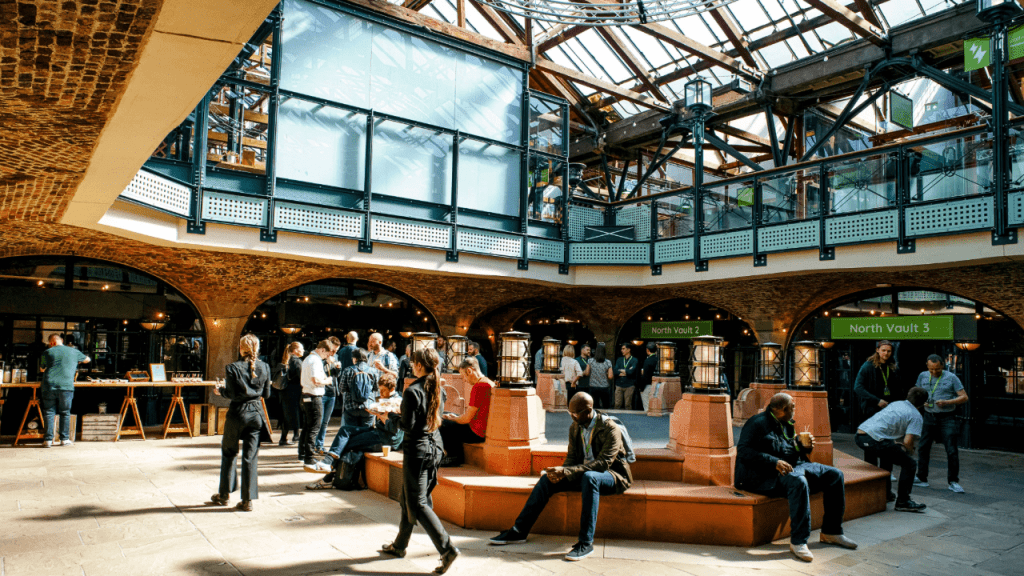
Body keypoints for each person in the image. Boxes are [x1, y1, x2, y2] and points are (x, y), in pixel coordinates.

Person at [489, 392, 632, 561]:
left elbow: (603, 463)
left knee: (590, 478)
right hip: (584, 472)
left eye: (576, 413)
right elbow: (572, 458)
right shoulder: (575, 427)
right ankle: (519, 531)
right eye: (570, 413)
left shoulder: (609, 428)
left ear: (588, 411)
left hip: (612, 476)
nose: (572, 417)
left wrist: (568, 472)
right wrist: (560, 472)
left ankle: (586, 543)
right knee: (546, 480)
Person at [735, 393, 857, 562]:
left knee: (835, 475)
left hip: (792, 466)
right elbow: (743, 450)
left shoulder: (787, 423)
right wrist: (773, 461)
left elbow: (788, 449)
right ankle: (798, 541)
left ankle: (832, 532)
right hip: (762, 475)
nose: (795, 410)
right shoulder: (756, 423)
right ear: (784, 409)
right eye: (793, 407)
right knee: (799, 482)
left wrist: (802, 446)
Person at [380, 348, 460, 575]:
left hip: (417, 450)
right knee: (408, 497)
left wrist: (390, 417)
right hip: (434, 447)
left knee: (418, 502)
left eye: (413, 362)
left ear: (418, 366)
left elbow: (408, 426)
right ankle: (399, 545)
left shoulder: (412, 390)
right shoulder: (437, 388)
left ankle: (447, 549)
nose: (411, 365)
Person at [307, 373, 404, 489]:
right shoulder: (385, 400)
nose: (381, 394)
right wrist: (376, 413)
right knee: (345, 430)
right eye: (380, 390)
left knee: (346, 443)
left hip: (387, 440)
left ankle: (327, 474)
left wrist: (383, 417)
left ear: (392, 389)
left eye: (383, 391)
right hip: (379, 432)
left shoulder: (398, 403)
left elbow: (394, 430)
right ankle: (328, 463)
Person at [210, 334, 271, 511]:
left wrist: (219, 391)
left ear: (240, 348)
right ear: (257, 349)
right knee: (250, 457)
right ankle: (247, 500)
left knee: (229, 452)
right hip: (256, 414)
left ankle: (224, 495)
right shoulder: (265, 366)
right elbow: (266, 395)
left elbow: (232, 394)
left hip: (237, 413)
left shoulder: (233, 368)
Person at [855, 387, 928, 512]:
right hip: (874, 439)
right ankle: (903, 501)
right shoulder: (916, 416)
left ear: (908, 396)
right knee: (910, 464)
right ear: (923, 403)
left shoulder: (897, 403)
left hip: (861, 435)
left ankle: (886, 494)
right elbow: (907, 442)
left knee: (887, 458)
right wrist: (909, 452)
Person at [913, 354, 969, 494]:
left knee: (951, 449)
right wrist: (921, 402)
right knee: (923, 447)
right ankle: (921, 477)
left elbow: (964, 397)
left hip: (947, 417)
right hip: (928, 416)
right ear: (927, 365)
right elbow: (916, 393)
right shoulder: (922, 376)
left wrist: (948, 402)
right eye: (931, 369)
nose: (934, 372)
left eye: (937, 369)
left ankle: (953, 481)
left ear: (942, 366)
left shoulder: (951, 377)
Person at [853, 340, 902, 467]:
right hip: (871, 410)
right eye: (884, 350)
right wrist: (877, 400)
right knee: (871, 440)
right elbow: (858, 388)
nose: (886, 353)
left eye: (889, 351)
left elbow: (897, 390)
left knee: (887, 441)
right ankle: (871, 469)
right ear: (877, 350)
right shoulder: (868, 366)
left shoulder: (892, 366)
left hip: (888, 410)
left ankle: (886, 471)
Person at [439, 357, 494, 466]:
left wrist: (452, 418)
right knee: (450, 417)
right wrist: (454, 417)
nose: (464, 380)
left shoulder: (479, 386)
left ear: (469, 371)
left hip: (476, 433)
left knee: (441, 423)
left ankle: (453, 457)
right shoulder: (489, 382)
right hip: (483, 429)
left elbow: (466, 419)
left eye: (463, 376)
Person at [39, 334, 90, 447]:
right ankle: (64, 439)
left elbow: (42, 369)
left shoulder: (47, 352)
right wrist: (76, 361)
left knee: (49, 411)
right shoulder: (73, 351)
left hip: (49, 385)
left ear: (50, 342)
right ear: (61, 340)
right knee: (65, 412)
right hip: (66, 385)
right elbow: (87, 359)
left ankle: (47, 440)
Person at [299, 340, 334, 472]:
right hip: (314, 396)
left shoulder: (308, 358)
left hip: (307, 395)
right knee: (314, 427)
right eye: (326, 355)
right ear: (322, 350)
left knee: (309, 427)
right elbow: (316, 380)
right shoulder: (315, 360)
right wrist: (328, 381)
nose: (326, 357)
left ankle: (304, 455)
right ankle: (309, 457)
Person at [339, 348, 379, 429]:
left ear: (355, 359)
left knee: (351, 432)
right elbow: (376, 388)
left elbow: (342, 388)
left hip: (351, 407)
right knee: (366, 433)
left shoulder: (348, 370)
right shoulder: (373, 371)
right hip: (368, 407)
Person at [316, 336, 343, 454]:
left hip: (332, 391)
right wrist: (324, 362)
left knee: (325, 421)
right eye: (332, 350)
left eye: (336, 351)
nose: (333, 353)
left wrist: (338, 368)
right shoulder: (320, 357)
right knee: (318, 420)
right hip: (321, 391)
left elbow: (335, 376)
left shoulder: (335, 357)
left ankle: (320, 445)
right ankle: (314, 444)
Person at [277, 342, 304, 446]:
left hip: (285, 391)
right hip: (295, 390)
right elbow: (302, 377)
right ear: (295, 350)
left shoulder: (287, 360)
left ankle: (283, 438)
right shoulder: (297, 361)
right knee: (296, 413)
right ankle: (296, 435)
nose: (303, 350)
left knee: (286, 414)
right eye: (301, 348)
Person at [583, 343, 614, 410]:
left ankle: (595, 419)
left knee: (594, 407)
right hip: (604, 387)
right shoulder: (608, 362)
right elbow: (610, 376)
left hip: (593, 387)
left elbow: (587, 373)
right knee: (606, 407)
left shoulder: (590, 361)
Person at [613, 344, 638, 410]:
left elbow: (631, 372)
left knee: (628, 404)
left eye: (623, 349)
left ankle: (629, 419)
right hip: (619, 384)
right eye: (621, 349)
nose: (622, 350)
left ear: (628, 349)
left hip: (629, 385)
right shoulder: (619, 359)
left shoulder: (634, 360)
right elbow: (615, 371)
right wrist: (626, 371)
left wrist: (621, 370)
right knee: (617, 404)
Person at [640, 342, 658, 412]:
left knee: (647, 405)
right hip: (657, 385)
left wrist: (641, 387)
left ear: (647, 350)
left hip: (648, 385)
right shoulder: (658, 360)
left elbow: (645, 375)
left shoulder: (647, 361)